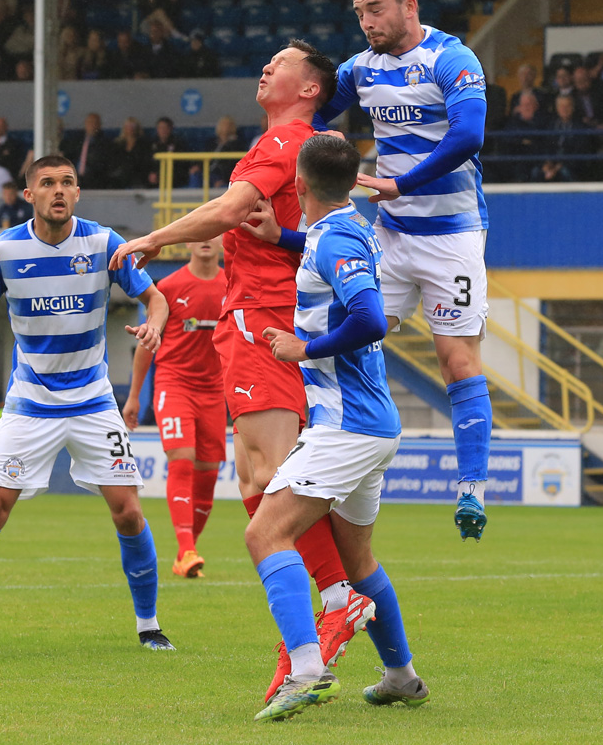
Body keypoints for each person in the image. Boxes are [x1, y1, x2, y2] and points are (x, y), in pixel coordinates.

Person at [110, 40, 373, 705]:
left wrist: (152, 238)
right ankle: (331, 640)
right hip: (255, 320)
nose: (265, 67)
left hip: (265, 321)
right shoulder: (296, 145)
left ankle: (335, 607)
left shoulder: (285, 138)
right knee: (259, 479)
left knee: (277, 481)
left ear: (310, 87)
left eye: (281, 62)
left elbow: (229, 212)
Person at [0, 154, 175, 654]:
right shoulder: (4, 249)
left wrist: (155, 325)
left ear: (78, 193)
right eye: (48, 183)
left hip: (94, 402)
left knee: (128, 513)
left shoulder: (104, 243)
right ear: (29, 194)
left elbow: (156, 298)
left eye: (68, 182)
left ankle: (149, 625)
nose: (59, 190)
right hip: (30, 402)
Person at [247, 134, 428, 722]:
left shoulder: (339, 237)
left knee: (264, 535)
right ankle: (401, 676)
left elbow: (371, 318)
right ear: (351, 184)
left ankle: (305, 670)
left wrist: (304, 349)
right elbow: (332, 254)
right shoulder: (343, 228)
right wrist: (283, 238)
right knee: (357, 563)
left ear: (297, 186)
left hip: (347, 427)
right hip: (369, 424)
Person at [314, 0, 492, 541]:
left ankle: (471, 490)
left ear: (408, 5)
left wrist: (402, 182)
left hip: (452, 236)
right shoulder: (361, 68)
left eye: (376, 9)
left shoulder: (453, 59)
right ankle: (346, 453)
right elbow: (314, 111)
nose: (366, 22)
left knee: (455, 361)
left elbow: (468, 137)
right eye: (360, 12)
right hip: (389, 237)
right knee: (349, 334)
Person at [123, 238, 227, 578]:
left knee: (208, 475)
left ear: (225, 240)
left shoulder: (232, 285)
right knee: (182, 461)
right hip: (174, 384)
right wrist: (135, 396)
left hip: (215, 390)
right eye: (200, 234)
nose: (207, 241)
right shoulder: (169, 287)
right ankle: (186, 548)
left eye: (214, 233)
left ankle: (187, 552)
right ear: (188, 243)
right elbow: (146, 344)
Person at [62, 112, 110, 189]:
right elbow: (69, 156)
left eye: (95, 123)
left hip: (93, 180)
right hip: (73, 177)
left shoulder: (104, 143)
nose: (92, 125)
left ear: (99, 125)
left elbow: (101, 165)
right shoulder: (77, 140)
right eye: (89, 122)